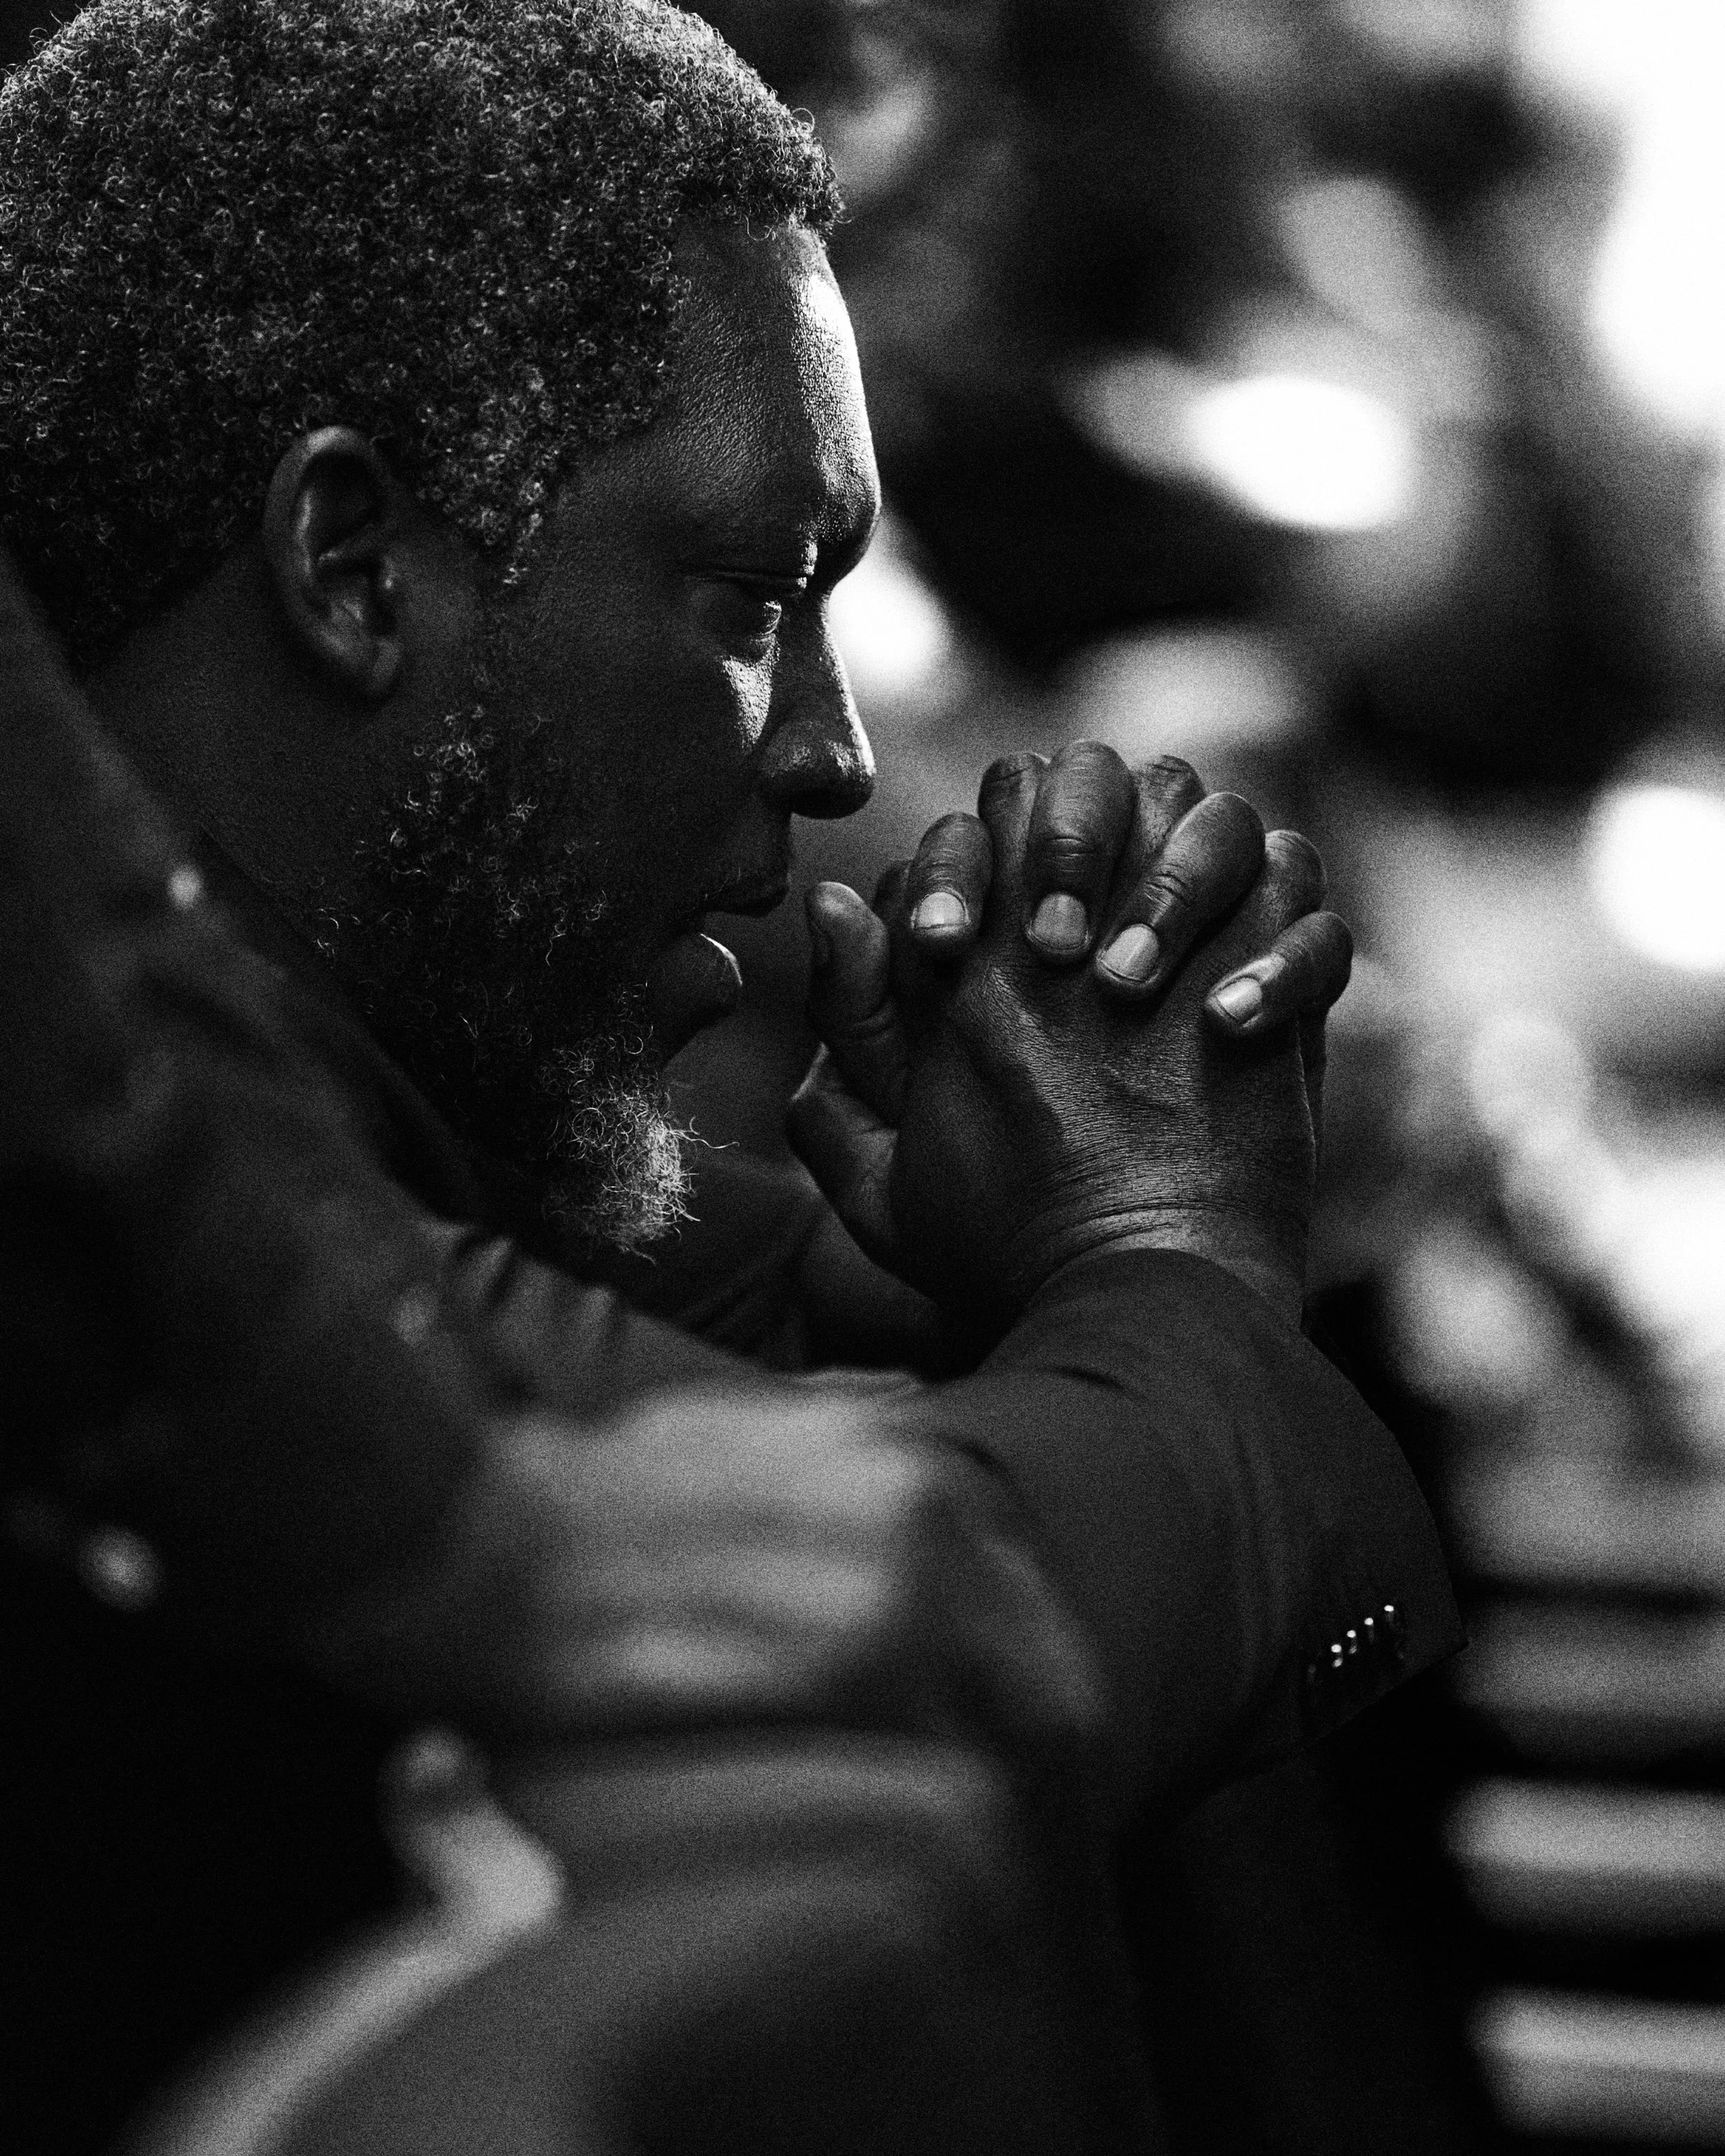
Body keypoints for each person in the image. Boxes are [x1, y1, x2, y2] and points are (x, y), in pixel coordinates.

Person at [0, 1, 1461, 2146]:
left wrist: (973, 1296)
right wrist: (1165, 1265)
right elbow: (989, 1642)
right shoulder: (137, 1176)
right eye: (752, 596)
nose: (838, 757)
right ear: (346, 566)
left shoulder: (473, 1145)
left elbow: (1310, 1610)